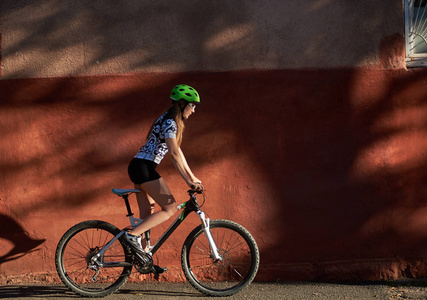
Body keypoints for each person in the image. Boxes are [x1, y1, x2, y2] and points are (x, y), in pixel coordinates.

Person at [124, 84, 204, 264]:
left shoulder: (168, 119)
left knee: (147, 213)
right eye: (192, 105)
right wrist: (188, 181)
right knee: (169, 208)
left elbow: (178, 152)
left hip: (139, 166)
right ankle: (131, 236)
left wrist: (192, 177)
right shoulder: (170, 122)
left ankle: (143, 255)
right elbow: (173, 153)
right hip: (143, 167)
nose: (194, 110)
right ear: (182, 104)